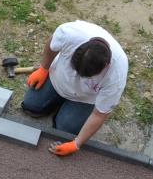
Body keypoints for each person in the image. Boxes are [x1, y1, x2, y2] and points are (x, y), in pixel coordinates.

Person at [21, 20, 128, 157]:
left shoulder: (116, 74)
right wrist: (44, 68)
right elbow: (51, 45)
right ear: (79, 49)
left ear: (106, 65)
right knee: (31, 105)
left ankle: (65, 112)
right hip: (57, 80)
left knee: (65, 129)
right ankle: (57, 103)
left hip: (85, 99)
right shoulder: (70, 33)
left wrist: (77, 143)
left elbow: (100, 114)